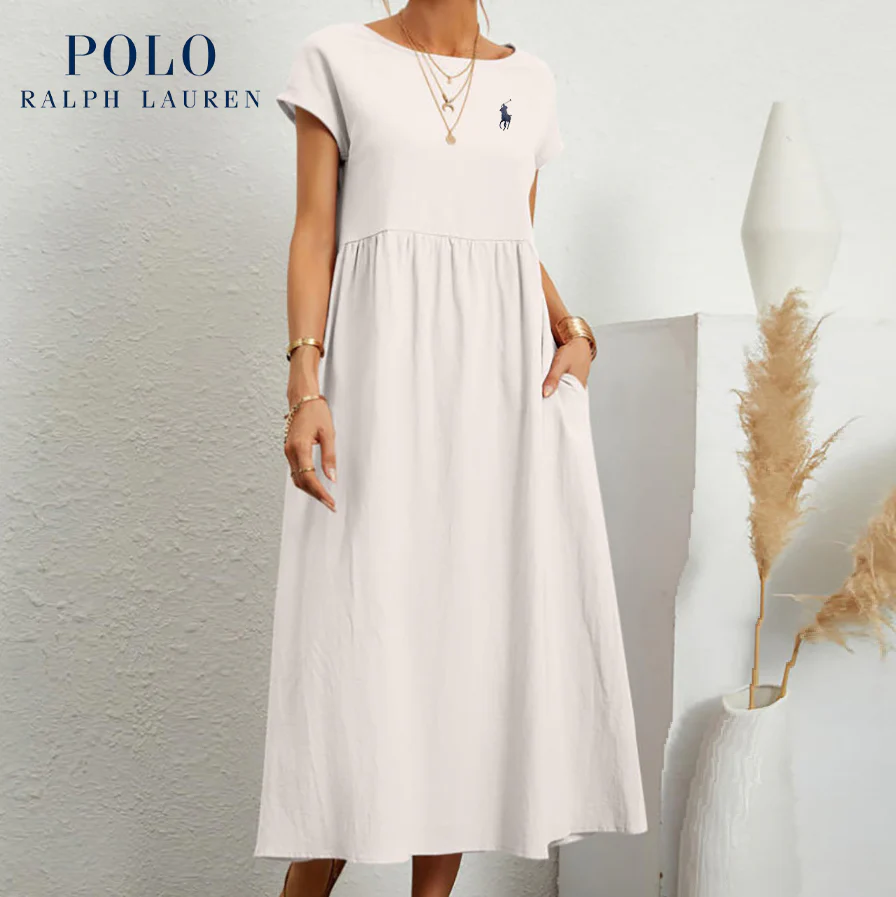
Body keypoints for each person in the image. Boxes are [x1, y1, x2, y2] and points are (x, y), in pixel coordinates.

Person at [254, 2, 648, 895]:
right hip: (377, 388)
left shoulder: (529, 81)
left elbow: (511, 236)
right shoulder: (337, 58)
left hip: (499, 395)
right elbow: (314, 230)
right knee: (357, 657)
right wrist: (305, 385)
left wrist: (571, 327)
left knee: (473, 639)